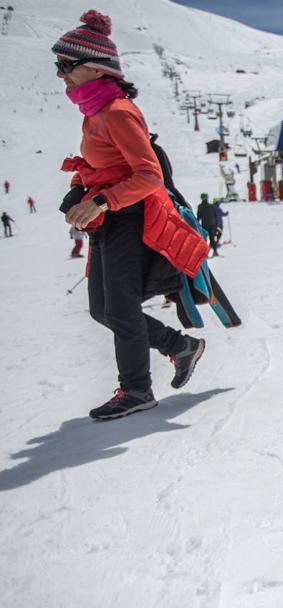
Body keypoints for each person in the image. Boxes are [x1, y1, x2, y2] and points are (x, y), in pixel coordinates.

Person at [54, 10, 208, 420]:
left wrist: (101, 202)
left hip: (130, 217)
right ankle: (179, 346)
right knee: (102, 309)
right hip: (109, 219)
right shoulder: (93, 113)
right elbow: (104, 169)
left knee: (119, 309)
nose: (60, 75)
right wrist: (78, 194)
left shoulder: (117, 111)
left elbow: (148, 175)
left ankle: (137, 390)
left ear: (95, 67)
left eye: (66, 66)